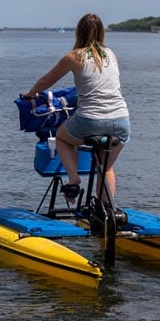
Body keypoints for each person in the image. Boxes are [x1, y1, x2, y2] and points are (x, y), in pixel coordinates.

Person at [22, 13, 130, 206]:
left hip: (90, 120)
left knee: (62, 138)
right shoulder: (111, 54)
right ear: (102, 33)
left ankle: (74, 180)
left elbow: (47, 80)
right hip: (121, 121)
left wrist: (30, 94)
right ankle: (105, 213)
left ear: (79, 32)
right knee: (105, 167)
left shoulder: (74, 57)